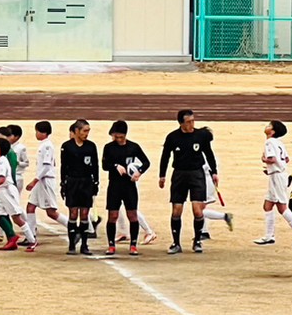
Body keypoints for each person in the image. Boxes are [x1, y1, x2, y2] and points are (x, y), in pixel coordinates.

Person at [158, 108, 220, 255]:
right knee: (176, 210)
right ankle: (176, 243)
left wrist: (214, 171)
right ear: (181, 123)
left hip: (196, 174)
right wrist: (162, 175)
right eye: (188, 122)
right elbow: (165, 156)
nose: (192, 124)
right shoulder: (172, 137)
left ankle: (197, 240)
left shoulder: (201, 136)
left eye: (193, 120)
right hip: (179, 174)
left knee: (197, 210)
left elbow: (209, 154)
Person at [101, 120, 155, 256]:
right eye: (116, 136)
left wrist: (139, 172)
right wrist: (115, 166)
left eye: (121, 137)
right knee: (112, 215)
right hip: (114, 185)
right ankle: (111, 245)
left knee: (132, 215)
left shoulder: (133, 147)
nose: (118, 139)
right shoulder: (109, 147)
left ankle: (133, 245)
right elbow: (104, 165)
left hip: (129, 186)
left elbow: (146, 162)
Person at [254, 120, 292, 248]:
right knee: (268, 205)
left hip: (277, 177)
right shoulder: (279, 143)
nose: (266, 127)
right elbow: (286, 159)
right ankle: (269, 236)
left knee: (282, 207)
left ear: (272, 131)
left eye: (269, 126)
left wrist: (264, 160)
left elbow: (272, 159)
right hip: (277, 175)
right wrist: (272, 170)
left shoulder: (269, 142)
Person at [59, 119, 100, 256]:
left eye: (88, 131)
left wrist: (96, 183)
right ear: (76, 131)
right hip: (72, 182)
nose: (86, 134)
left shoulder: (91, 146)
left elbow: (95, 166)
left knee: (84, 214)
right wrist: (63, 184)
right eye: (84, 131)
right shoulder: (67, 146)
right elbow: (63, 166)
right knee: (73, 213)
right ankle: (71, 245)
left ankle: (84, 245)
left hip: (86, 182)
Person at [24, 121, 62, 252]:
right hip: (41, 180)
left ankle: (73, 227)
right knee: (30, 206)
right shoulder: (44, 145)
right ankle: (31, 235)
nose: (36, 134)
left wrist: (35, 180)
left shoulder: (47, 146)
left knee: (51, 211)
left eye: (37, 131)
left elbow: (46, 166)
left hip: (45, 181)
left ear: (43, 132)